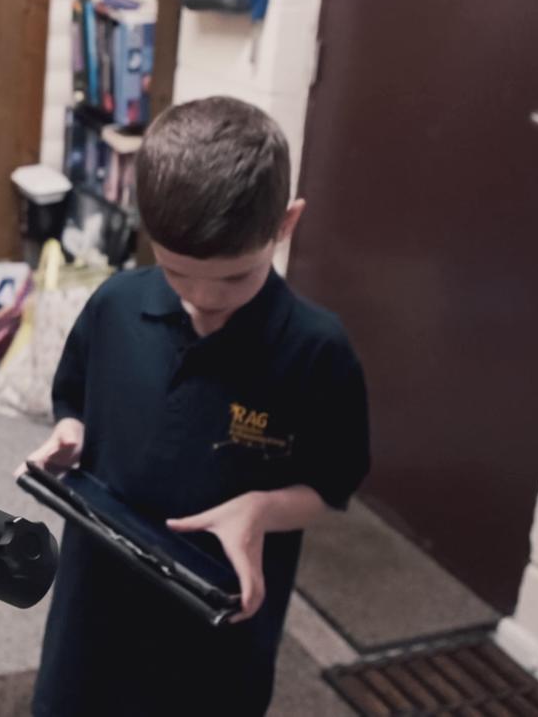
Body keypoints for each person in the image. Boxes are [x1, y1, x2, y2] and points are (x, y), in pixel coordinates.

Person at [25, 96, 370, 716]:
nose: (206, 299)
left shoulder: (318, 350)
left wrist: (263, 508)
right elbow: (73, 397)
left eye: (235, 278)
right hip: (97, 597)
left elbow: (332, 482)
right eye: (179, 273)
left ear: (286, 224)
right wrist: (69, 432)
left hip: (215, 620)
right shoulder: (115, 306)